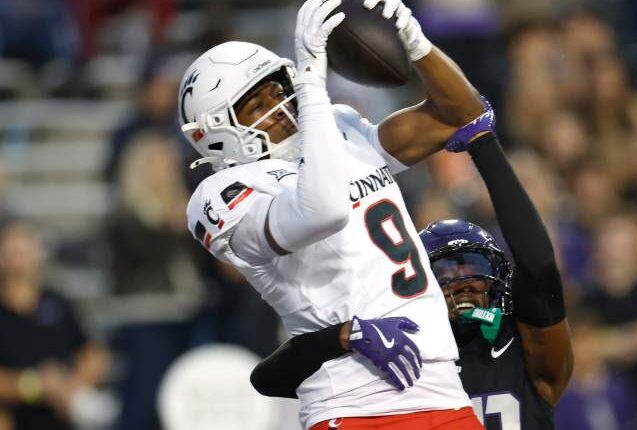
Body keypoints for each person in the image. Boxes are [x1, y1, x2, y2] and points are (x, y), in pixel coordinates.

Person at [180, 0, 487, 428]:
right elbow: (324, 210)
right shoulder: (222, 194)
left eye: (278, 88)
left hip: (442, 386)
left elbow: (465, 115)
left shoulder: (338, 128)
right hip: (354, 401)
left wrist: (417, 45)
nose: (280, 105)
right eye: (256, 103)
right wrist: (311, 84)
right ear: (211, 133)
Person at [250, 129, 574, 430]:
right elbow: (268, 379)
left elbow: (539, 265)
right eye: (445, 271)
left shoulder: (525, 351)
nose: (462, 281)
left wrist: (482, 142)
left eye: (473, 266)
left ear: (498, 279)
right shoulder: (397, 347)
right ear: (419, 282)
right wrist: (345, 335)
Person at [0, 221, 110, 430]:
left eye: (25, 248)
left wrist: (72, 386)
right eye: (13, 250)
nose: (19, 257)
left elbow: (93, 351)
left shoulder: (57, 302)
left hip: (62, 407)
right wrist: (33, 386)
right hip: (10, 411)